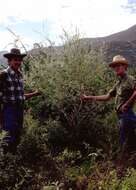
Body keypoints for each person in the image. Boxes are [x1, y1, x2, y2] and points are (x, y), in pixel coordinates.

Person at [81, 55, 136, 167]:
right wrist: (89, 98)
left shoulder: (130, 79)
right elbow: (107, 97)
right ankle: (131, 166)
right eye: (115, 66)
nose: (116, 68)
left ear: (125, 66)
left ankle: (122, 168)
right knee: (130, 142)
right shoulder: (118, 83)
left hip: (127, 115)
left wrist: (127, 104)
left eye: (119, 65)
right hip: (122, 116)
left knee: (123, 143)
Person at [0, 48, 41, 154]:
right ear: (9, 61)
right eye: (15, 60)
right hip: (9, 110)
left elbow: (20, 96)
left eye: (19, 60)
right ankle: (6, 161)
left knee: (17, 134)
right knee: (8, 135)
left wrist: (35, 94)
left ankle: (13, 159)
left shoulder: (20, 75)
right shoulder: (3, 75)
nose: (18, 62)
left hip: (19, 109)